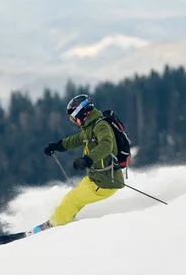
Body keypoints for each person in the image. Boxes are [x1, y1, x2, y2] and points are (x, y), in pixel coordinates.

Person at [33, 94, 124, 233]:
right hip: (96, 178)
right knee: (72, 198)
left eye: (74, 118)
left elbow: (106, 145)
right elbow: (75, 140)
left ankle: (52, 227)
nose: (74, 121)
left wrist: (87, 159)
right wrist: (57, 146)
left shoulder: (101, 126)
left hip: (106, 181)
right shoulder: (90, 126)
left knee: (72, 199)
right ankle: (60, 219)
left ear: (83, 113)